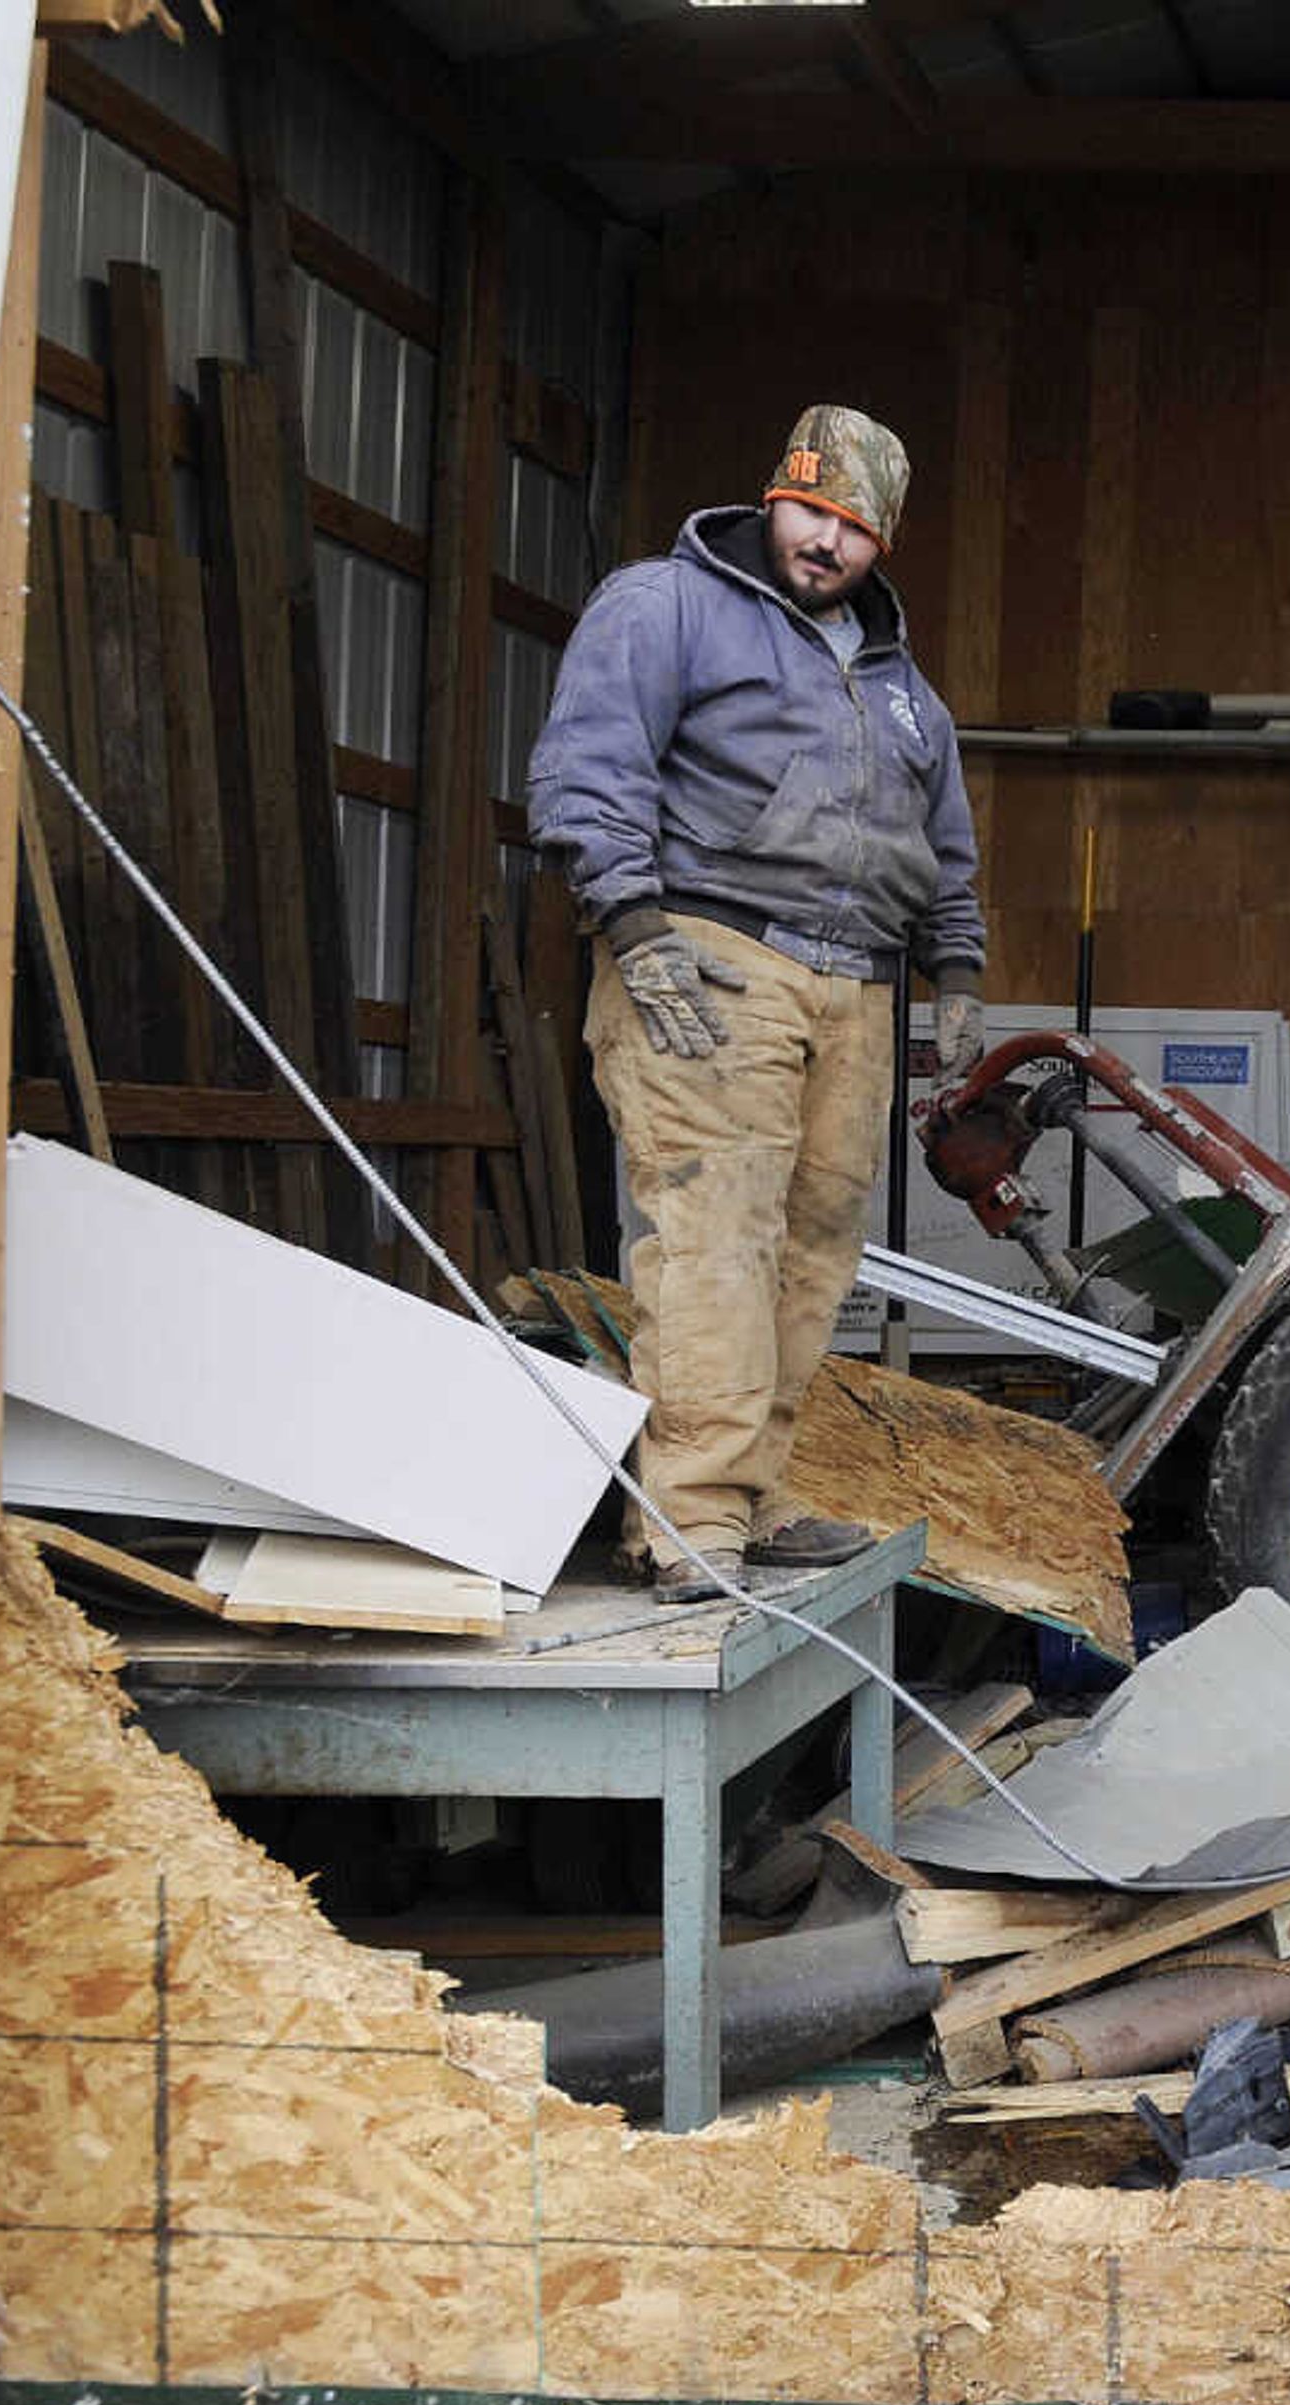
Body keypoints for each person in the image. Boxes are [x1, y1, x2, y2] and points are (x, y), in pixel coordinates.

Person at [527, 404, 987, 1600]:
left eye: (854, 527)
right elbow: (590, 764)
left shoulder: (904, 693)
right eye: (811, 510)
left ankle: (753, 1490)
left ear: (886, 543)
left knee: (811, 1256)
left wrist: (957, 976)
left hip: (855, 990)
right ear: (771, 495)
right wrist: (632, 924)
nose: (825, 542)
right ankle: (687, 1519)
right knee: (712, 1243)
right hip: (711, 959)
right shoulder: (664, 606)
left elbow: (946, 846)